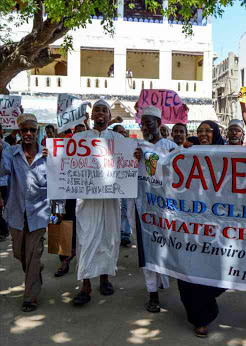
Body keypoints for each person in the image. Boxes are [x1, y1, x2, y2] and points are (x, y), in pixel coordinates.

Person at [0, 114, 64, 311]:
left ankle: (30, 297)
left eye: (32, 130)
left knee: (34, 255)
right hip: (16, 213)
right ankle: (34, 271)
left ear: (38, 132)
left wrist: (57, 211)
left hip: (39, 215)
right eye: (24, 130)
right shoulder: (10, 153)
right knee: (20, 255)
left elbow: (57, 184)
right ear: (18, 132)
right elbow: (2, 173)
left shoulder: (48, 156)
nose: (28, 133)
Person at [71, 99, 128, 306]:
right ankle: (85, 285)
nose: (101, 114)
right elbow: (64, 160)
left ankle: (105, 278)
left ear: (110, 116)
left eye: (105, 110)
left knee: (109, 238)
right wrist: (52, 155)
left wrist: (135, 154)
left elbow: (129, 162)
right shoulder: (79, 138)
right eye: (97, 110)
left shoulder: (118, 139)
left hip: (111, 199)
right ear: (92, 115)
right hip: (87, 200)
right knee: (86, 240)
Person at [178, 121, 226, 337]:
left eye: (208, 130)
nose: (203, 134)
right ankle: (200, 318)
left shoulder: (227, 153)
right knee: (189, 270)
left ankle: (208, 302)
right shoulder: (189, 151)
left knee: (213, 267)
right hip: (190, 221)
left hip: (217, 224)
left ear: (215, 133)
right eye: (200, 131)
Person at [134, 106, 178, 313]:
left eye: (149, 123)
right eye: (143, 123)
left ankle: (163, 279)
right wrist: (130, 160)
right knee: (146, 248)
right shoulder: (135, 147)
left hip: (165, 207)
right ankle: (152, 293)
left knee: (164, 246)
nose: (145, 127)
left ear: (159, 124)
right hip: (141, 204)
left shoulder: (171, 146)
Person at [0, 124, 10, 241]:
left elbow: (7, 168)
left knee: (6, 206)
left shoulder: (6, 146)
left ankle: (5, 229)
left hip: (4, 183)